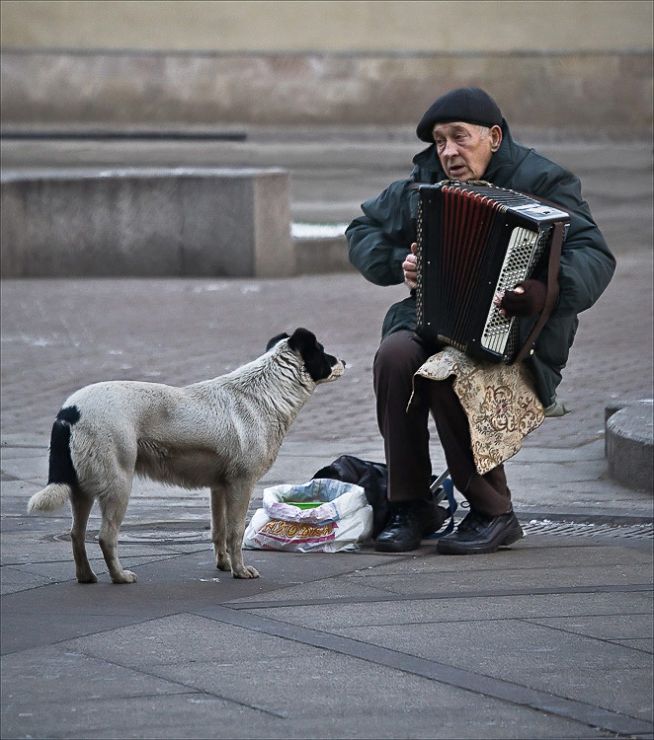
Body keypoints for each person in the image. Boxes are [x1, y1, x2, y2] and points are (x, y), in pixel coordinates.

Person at [346, 87, 615, 555]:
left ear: (493, 136)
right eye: (439, 141)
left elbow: (594, 254)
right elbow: (361, 230)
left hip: (520, 335)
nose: (448, 152)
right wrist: (397, 263)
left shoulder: (544, 180)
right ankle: (412, 505)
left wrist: (546, 290)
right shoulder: (423, 181)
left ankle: (494, 512)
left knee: (447, 373)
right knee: (395, 358)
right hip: (434, 317)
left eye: (459, 138)